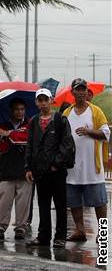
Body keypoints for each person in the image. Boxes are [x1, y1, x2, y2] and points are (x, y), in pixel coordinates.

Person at [25, 88, 75, 248]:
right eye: (40, 100)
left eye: (45, 99)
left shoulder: (61, 120)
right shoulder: (33, 121)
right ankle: (43, 236)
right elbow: (30, 146)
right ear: (36, 102)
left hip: (57, 171)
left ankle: (60, 237)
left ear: (51, 100)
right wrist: (28, 168)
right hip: (40, 171)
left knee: (60, 204)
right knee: (43, 205)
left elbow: (67, 144)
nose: (43, 103)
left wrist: (56, 164)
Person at [62, 78, 109, 243]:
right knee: (74, 201)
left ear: (87, 92)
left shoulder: (95, 111)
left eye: (84, 90)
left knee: (99, 202)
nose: (81, 92)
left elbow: (106, 134)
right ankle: (80, 230)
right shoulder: (66, 114)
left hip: (92, 169)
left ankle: (102, 233)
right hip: (72, 169)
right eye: (78, 89)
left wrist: (89, 131)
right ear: (72, 92)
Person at [0, 98, 32, 240]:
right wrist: (5, 140)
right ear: (11, 111)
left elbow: (27, 138)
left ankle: (21, 227)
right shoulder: (1, 126)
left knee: (23, 202)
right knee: (4, 200)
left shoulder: (30, 124)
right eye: (17, 109)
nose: (20, 112)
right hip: (7, 169)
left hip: (25, 169)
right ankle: (0, 226)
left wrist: (9, 135)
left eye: (22, 109)